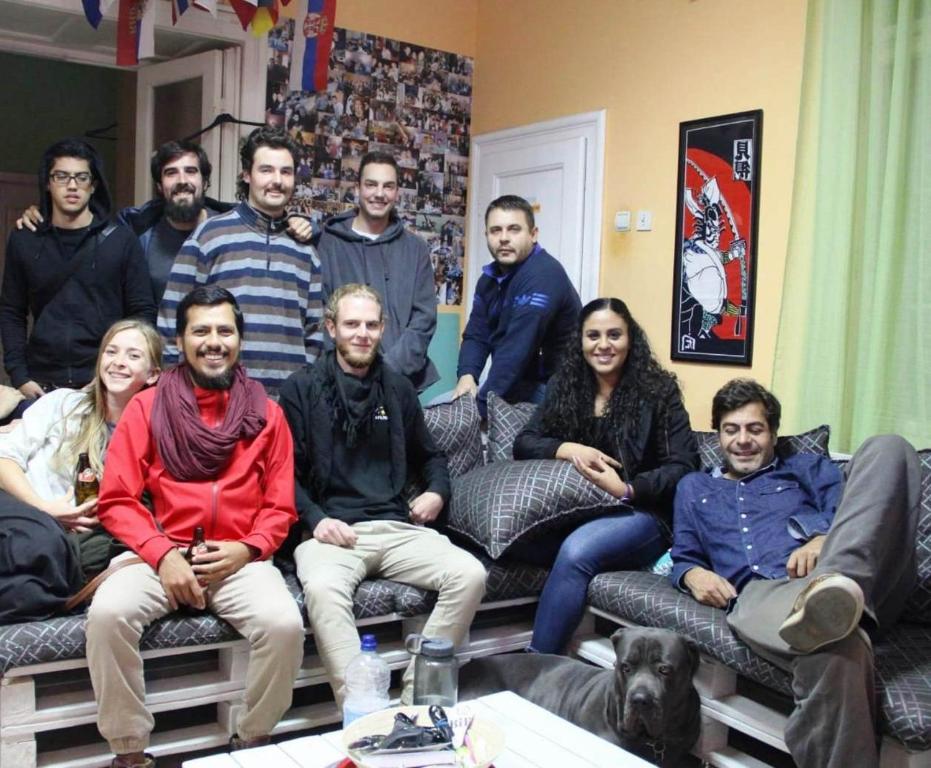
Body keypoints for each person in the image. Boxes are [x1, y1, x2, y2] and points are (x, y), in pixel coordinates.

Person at [87, 286, 305, 767]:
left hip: (237, 559)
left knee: (284, 623)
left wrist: (246, 549)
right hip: (163, 552)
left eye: (225, 330)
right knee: (107, 616)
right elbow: (117, 499)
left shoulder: (268, 415)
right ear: (181, 341)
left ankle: (252, 741)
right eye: (200, 330)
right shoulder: (147, 407)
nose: (214, 341)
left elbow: (280, 507)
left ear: (239, 339)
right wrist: (162, 554)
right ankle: (129, 751)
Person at [671, 378, 921, 768]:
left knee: (890, 447)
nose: (743, 440)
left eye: (755, 429)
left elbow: (858, 514)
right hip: (765, 596)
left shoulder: (806, 469)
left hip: (856, 579)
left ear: (773, 434)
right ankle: (826, 613)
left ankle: (834, 591)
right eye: (731, 429)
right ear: (717, 435)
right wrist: (691, 576)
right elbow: (683, 556)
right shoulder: (693, 487)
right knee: (838, 648)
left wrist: (822, 538)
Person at [278, 283, 485, 707]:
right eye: (352, 324)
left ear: (383, 329)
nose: (362, 334)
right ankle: (363, 708)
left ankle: (418, 698)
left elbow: (432, 457)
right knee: (320, 590)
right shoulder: (301, 388)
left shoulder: (398, 388)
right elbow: (285, 476)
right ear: (332, 328)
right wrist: (317, 520)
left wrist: (436, 493)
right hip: (330, 532)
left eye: (372, 325)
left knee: (470, 574)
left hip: (395, 527)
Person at [512, 297, 699, 653]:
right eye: (593, 335)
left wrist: (628, 489)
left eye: (614, 335)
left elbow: (683, 467)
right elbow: (525, 442)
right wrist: (569, 449)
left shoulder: (658, 392)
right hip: (582, 510)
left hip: (642, 512)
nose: (603, 345)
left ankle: (537, 665)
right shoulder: (566, 386)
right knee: (516, 540)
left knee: (577, 551)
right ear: (580, 341)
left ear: (630, 339)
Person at [16, 139, 314, 305]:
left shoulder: (229, 230)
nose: (182, 181)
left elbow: (267, 223)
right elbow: (82, 231)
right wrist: (43, 215)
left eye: (191, 171)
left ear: (205, 181)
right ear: (159, 186)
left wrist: (301, 223)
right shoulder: (133, 230)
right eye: (171, 173)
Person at [0, 319, 161, 623]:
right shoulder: (62, 403)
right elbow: (4, 459)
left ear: (153, 374)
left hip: (68, 545)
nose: (118, 362)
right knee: (41, 542)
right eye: (111, 352)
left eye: (133, 355)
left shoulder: (153, 436)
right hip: (20, 511)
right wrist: (44, 508)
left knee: (36, 585)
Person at [157, 126, 324, 397]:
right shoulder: (210, 236)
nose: (277, 180)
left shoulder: (306, 251)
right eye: (266, 170)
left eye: (286, 171)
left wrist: (302, 393)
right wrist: (177, 391)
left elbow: (315, 335)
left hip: (285, 409)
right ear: (247, 174)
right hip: (216, 399)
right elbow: (172, 318)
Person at [0, 138, 156, 405]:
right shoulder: (26, 239)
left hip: (104, 383)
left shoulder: (120, 239)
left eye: (81, 177)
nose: (72, 185)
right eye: (61, 176)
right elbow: (11, 310)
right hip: (40, 383)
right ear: (47, 183)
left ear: (93, 185)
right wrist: (19, 375)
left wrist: (116, 373)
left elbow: (141, 312)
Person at [314, 150, 439, 392]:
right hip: (339, 384)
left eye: (388, 186)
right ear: (357, 188)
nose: (379, 194)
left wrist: (389, 371)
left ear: (397, 193)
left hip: (402, 383)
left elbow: (424, 320)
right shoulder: (327, 243)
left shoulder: (416, 250)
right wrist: (348, 371)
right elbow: (320, 314)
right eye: (371, 184)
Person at [452, 195, 581, 418]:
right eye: (495, 230)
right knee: (440, 407)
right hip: (515, 384)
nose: (504, 238)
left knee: (466, 426)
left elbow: (516, 349)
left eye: (514, 229)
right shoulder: (488, 280)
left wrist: (479, 411)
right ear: (486, 236)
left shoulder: (544, 274)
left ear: (533, 235)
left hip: (556, 392)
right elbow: (476, 334)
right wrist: (467, 375)